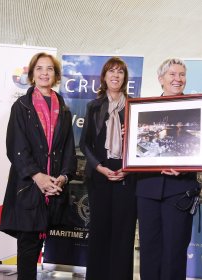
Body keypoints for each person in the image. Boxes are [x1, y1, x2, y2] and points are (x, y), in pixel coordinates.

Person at [0, 52, 77, 280]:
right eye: (40, 68)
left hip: (55, 187)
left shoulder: (62, 107)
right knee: (27, 249)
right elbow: (16, 146)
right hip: (29, 186)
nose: (45, 73)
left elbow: (68, 149)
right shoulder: (21, 106)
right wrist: (38, 176)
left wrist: (63, 176)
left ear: (56, 75)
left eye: (50, 69)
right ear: (32, 74)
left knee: (42, 245)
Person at [136, 58, 201, 280]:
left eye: (182, 74)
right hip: (147, 190)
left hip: (180, 190)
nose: (178, 79)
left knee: (175, 251)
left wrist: (185, 166)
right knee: (149, 250)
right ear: (160, 79)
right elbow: (136, 151)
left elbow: (200, 150)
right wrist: (130, 137)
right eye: (172, 74)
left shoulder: (197, 109)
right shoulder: (143, 110)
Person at [80, 57, 137, 280]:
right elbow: (84, 143)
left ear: (124, 78)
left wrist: (129, 168)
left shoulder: (135, 106)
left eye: (120, 72)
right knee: (99, 232)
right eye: (111, 71)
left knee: (123, 234)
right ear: (104, 77)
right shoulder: (94, 106)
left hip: (127, 176)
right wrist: (99, 167)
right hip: (100, 176)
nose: (115, 75)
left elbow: (142, 144)